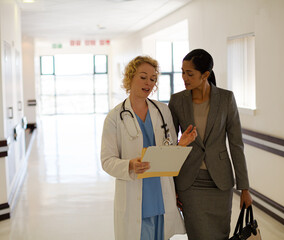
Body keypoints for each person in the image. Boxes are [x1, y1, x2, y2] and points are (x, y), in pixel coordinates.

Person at [101, 56, 197, 240]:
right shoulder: (115, 117)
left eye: (153, 79)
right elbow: (106, 161)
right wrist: (129, 165)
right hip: (134, 196)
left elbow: (166, 154)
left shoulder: (162, 111)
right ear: (130, 78)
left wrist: (181, 144)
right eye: (143, 77)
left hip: (161, 196)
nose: (148, 83)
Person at [168, 49, 253, 240]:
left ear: (205, 75)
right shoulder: (177, 101)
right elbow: (171, 145)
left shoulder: (226, 99)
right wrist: (170, 186)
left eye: (190, 74)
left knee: (221, 234)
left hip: (220, 183)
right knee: (197, 234)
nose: (184, 78)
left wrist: (245, 188)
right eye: (182, 72)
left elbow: (236, 144)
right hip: (190, 182)